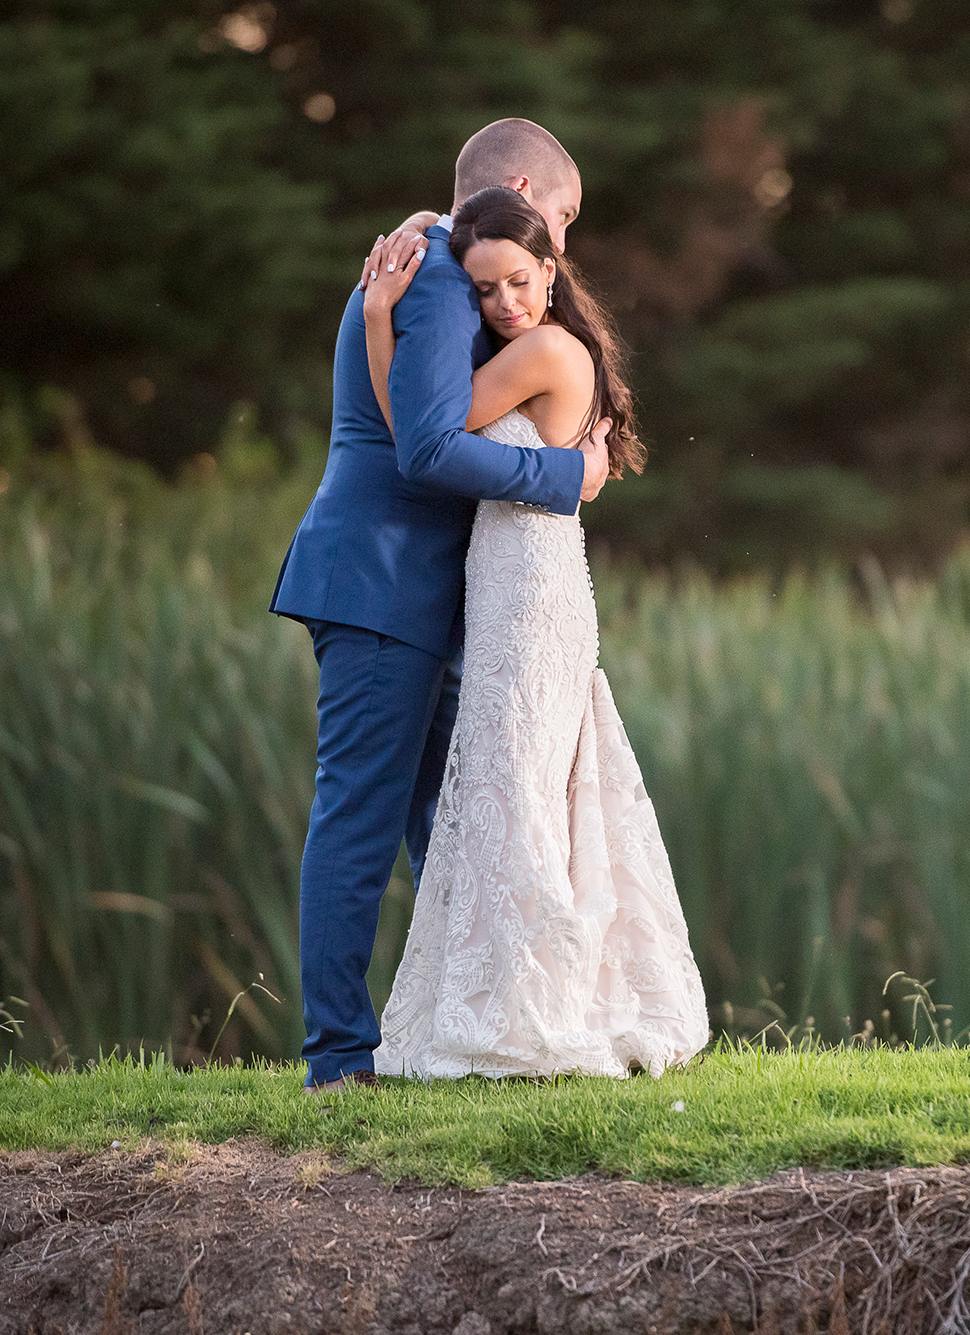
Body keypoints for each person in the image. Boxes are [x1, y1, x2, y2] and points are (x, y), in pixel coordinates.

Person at [269, 120, 613, 1092]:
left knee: (451, 818)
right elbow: (420, 447)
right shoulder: (427, 264)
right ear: (516, 185)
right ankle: (339, 1062)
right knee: (363, 817)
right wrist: (559, 475)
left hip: (422, 587)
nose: (561, 240)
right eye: (563, 212)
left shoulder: (447, 269)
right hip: (379, 579)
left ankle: (475, 1034)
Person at [355, 187, 709, 1079]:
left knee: (514, 789)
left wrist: (376, 321)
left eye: (518, 281)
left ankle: (537, 1012)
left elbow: (420, 435)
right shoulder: (551, 344)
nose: (503, 304)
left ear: (550, 272)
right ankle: (539, 997)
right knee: (521, 791)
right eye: (483, 292)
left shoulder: (542, 351)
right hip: (521, 582)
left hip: (529, 594)